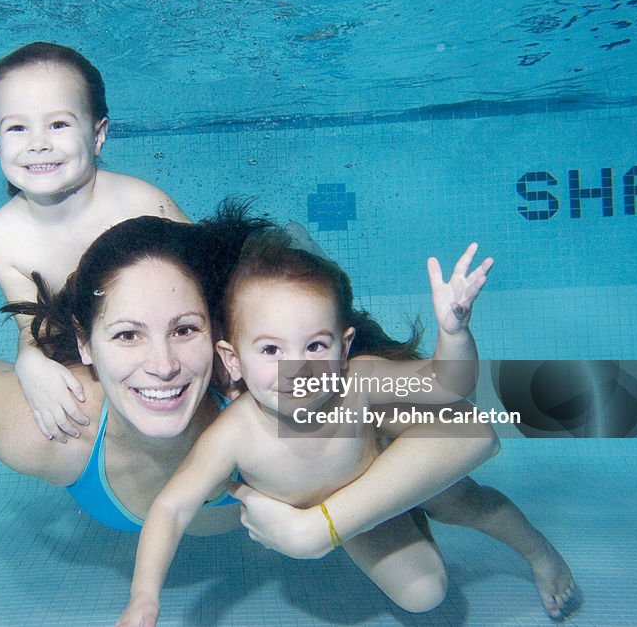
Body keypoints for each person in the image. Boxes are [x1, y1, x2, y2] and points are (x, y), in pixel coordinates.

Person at [0, 209, 501, 612]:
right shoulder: (50, 428)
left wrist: (320, 529)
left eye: (185, 329)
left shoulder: (267, 390)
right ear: (87, 347)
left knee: (426, 581)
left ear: (222, 344)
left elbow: (477, 426)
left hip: (330, 460)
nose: (162, 366)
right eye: (126, 335)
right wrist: (27, 351)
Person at [117, 230, 574, 626]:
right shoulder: (233, 434)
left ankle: (539, 554)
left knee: (464, 502)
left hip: (383, 470)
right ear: (233, 360)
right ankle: (409, 513)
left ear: (344, 346)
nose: (297, 368)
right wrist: (144, 595)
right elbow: (172, 507)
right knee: (423, 593)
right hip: (355, 519)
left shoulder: (357, 380)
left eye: (315, 344)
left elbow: (447, 387)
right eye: (271, 350)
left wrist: (453, 332)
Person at [0, 41, 188, 443]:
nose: (37, 143)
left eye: (59, 124)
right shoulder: (2, 237)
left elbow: (217, 281)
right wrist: (27, 360)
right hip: (95, 345)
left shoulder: (143, 203)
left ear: (98, 134)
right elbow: (34, 326)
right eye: (17, 127)